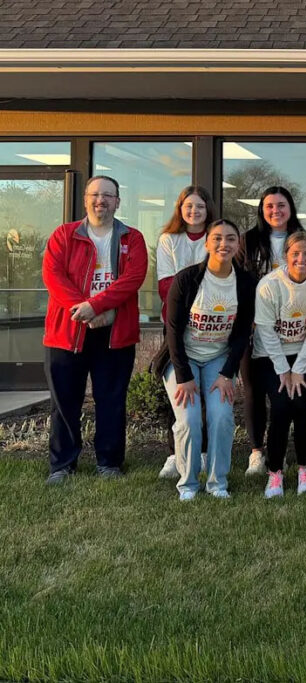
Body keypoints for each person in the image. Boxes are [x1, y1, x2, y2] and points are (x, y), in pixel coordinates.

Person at [42, 176, 148, 484]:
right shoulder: (64, 235)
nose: (100, 200)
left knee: (111, 400)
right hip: (68, 332)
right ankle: (62, 466)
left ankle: (109, 463)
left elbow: (133, 277)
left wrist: (98, 306)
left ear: (118, 201)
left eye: (107, 195)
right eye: (95, 194)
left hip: (115, 334)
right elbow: (53, 275)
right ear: (86, 199)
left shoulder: (133, 238)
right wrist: (84, 309)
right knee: (64, 403)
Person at [159, 219, 256, 500]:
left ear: (238, 245)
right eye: (217, 238)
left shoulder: (246, 282)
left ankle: (217, 483)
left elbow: (241, 334)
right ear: (206, 243)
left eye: (230, 238)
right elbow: (173, 331)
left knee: (222, 417)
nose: (223, 244)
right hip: (182, 359)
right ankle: (188, 484)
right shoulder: (187, 279)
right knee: (188, 420)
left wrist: (228, 374)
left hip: (219, 360)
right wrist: (185, 376)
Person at [253, 231, 306, 498]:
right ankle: (275, 473)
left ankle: (304, 469)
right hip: (270, 355)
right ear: (285, 256)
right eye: (295, 253)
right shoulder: (269, 285)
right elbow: (264, 329)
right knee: (280, 407)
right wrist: (283, 370)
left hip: (303, 353)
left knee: (301, 406)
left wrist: (298, 368)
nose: (301, 259)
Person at [240, 186, 304, 476]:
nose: (276, 211)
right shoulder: (248, 241)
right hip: (254, 324)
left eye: (281, 205)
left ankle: (282, 450)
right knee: (254, 389)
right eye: (269, 206)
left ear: (290, 208)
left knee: (286, 391)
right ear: (261, 210)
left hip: (292, 328)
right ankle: (256, 452)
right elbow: (239, 281)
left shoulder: (300, 239)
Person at [155, 185, 216, 480]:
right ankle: (174, 453)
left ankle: (202, 453)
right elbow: (165, 286)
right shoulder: (169, 240)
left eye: (200, 207)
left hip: (212, 326)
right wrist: (200, 292)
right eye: (188, 206)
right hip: (178, 325)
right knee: (179, 389)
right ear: (180, 209)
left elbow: (222, 281)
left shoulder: (214, 238)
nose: (194, 211)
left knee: (205, 392)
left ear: (208, 210)